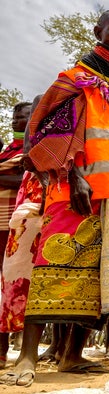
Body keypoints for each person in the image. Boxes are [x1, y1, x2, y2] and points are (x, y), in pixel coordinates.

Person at [0, 8, 109, 387]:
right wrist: (73, 175)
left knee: (102, 279)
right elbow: (47, 132)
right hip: (76, 192)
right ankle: (29, 356)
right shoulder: (74, 82)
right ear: (98, 31)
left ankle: (72, 355)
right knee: (53, 267)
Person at [0, 101, 33, 367]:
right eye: (14, 116)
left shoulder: (28, 150)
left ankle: (3, 350)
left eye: (22, 116)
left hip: (16, 223)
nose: (15, 120)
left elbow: (24, 179)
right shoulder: (6, 150)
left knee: (10, 284)